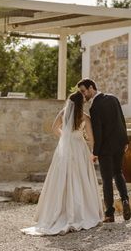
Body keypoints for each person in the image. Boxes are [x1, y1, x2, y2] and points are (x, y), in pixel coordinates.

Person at [21, 91, 103, 236]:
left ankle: (58, 211)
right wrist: (92, 151)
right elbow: (91, 138)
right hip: (79, 148)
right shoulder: (85, 117)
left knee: (62, 177)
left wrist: (65, 136)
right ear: (81, 103)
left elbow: (54, 128)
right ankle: (81, 212)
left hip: (65, 149)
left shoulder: (64, 113)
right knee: (81, 177)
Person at [77, 78, 131, 223]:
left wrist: (95, 152)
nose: (83, 95)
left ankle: (109, 214)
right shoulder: (113, 98)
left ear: (91, 88)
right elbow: (122, 120)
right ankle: (125, 200)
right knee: (118, 172)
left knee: (107, 179)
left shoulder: (95, 107)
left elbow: (98, 132)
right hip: (119, 143)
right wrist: (126, 140)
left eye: (83, 91)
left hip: (106, 149)